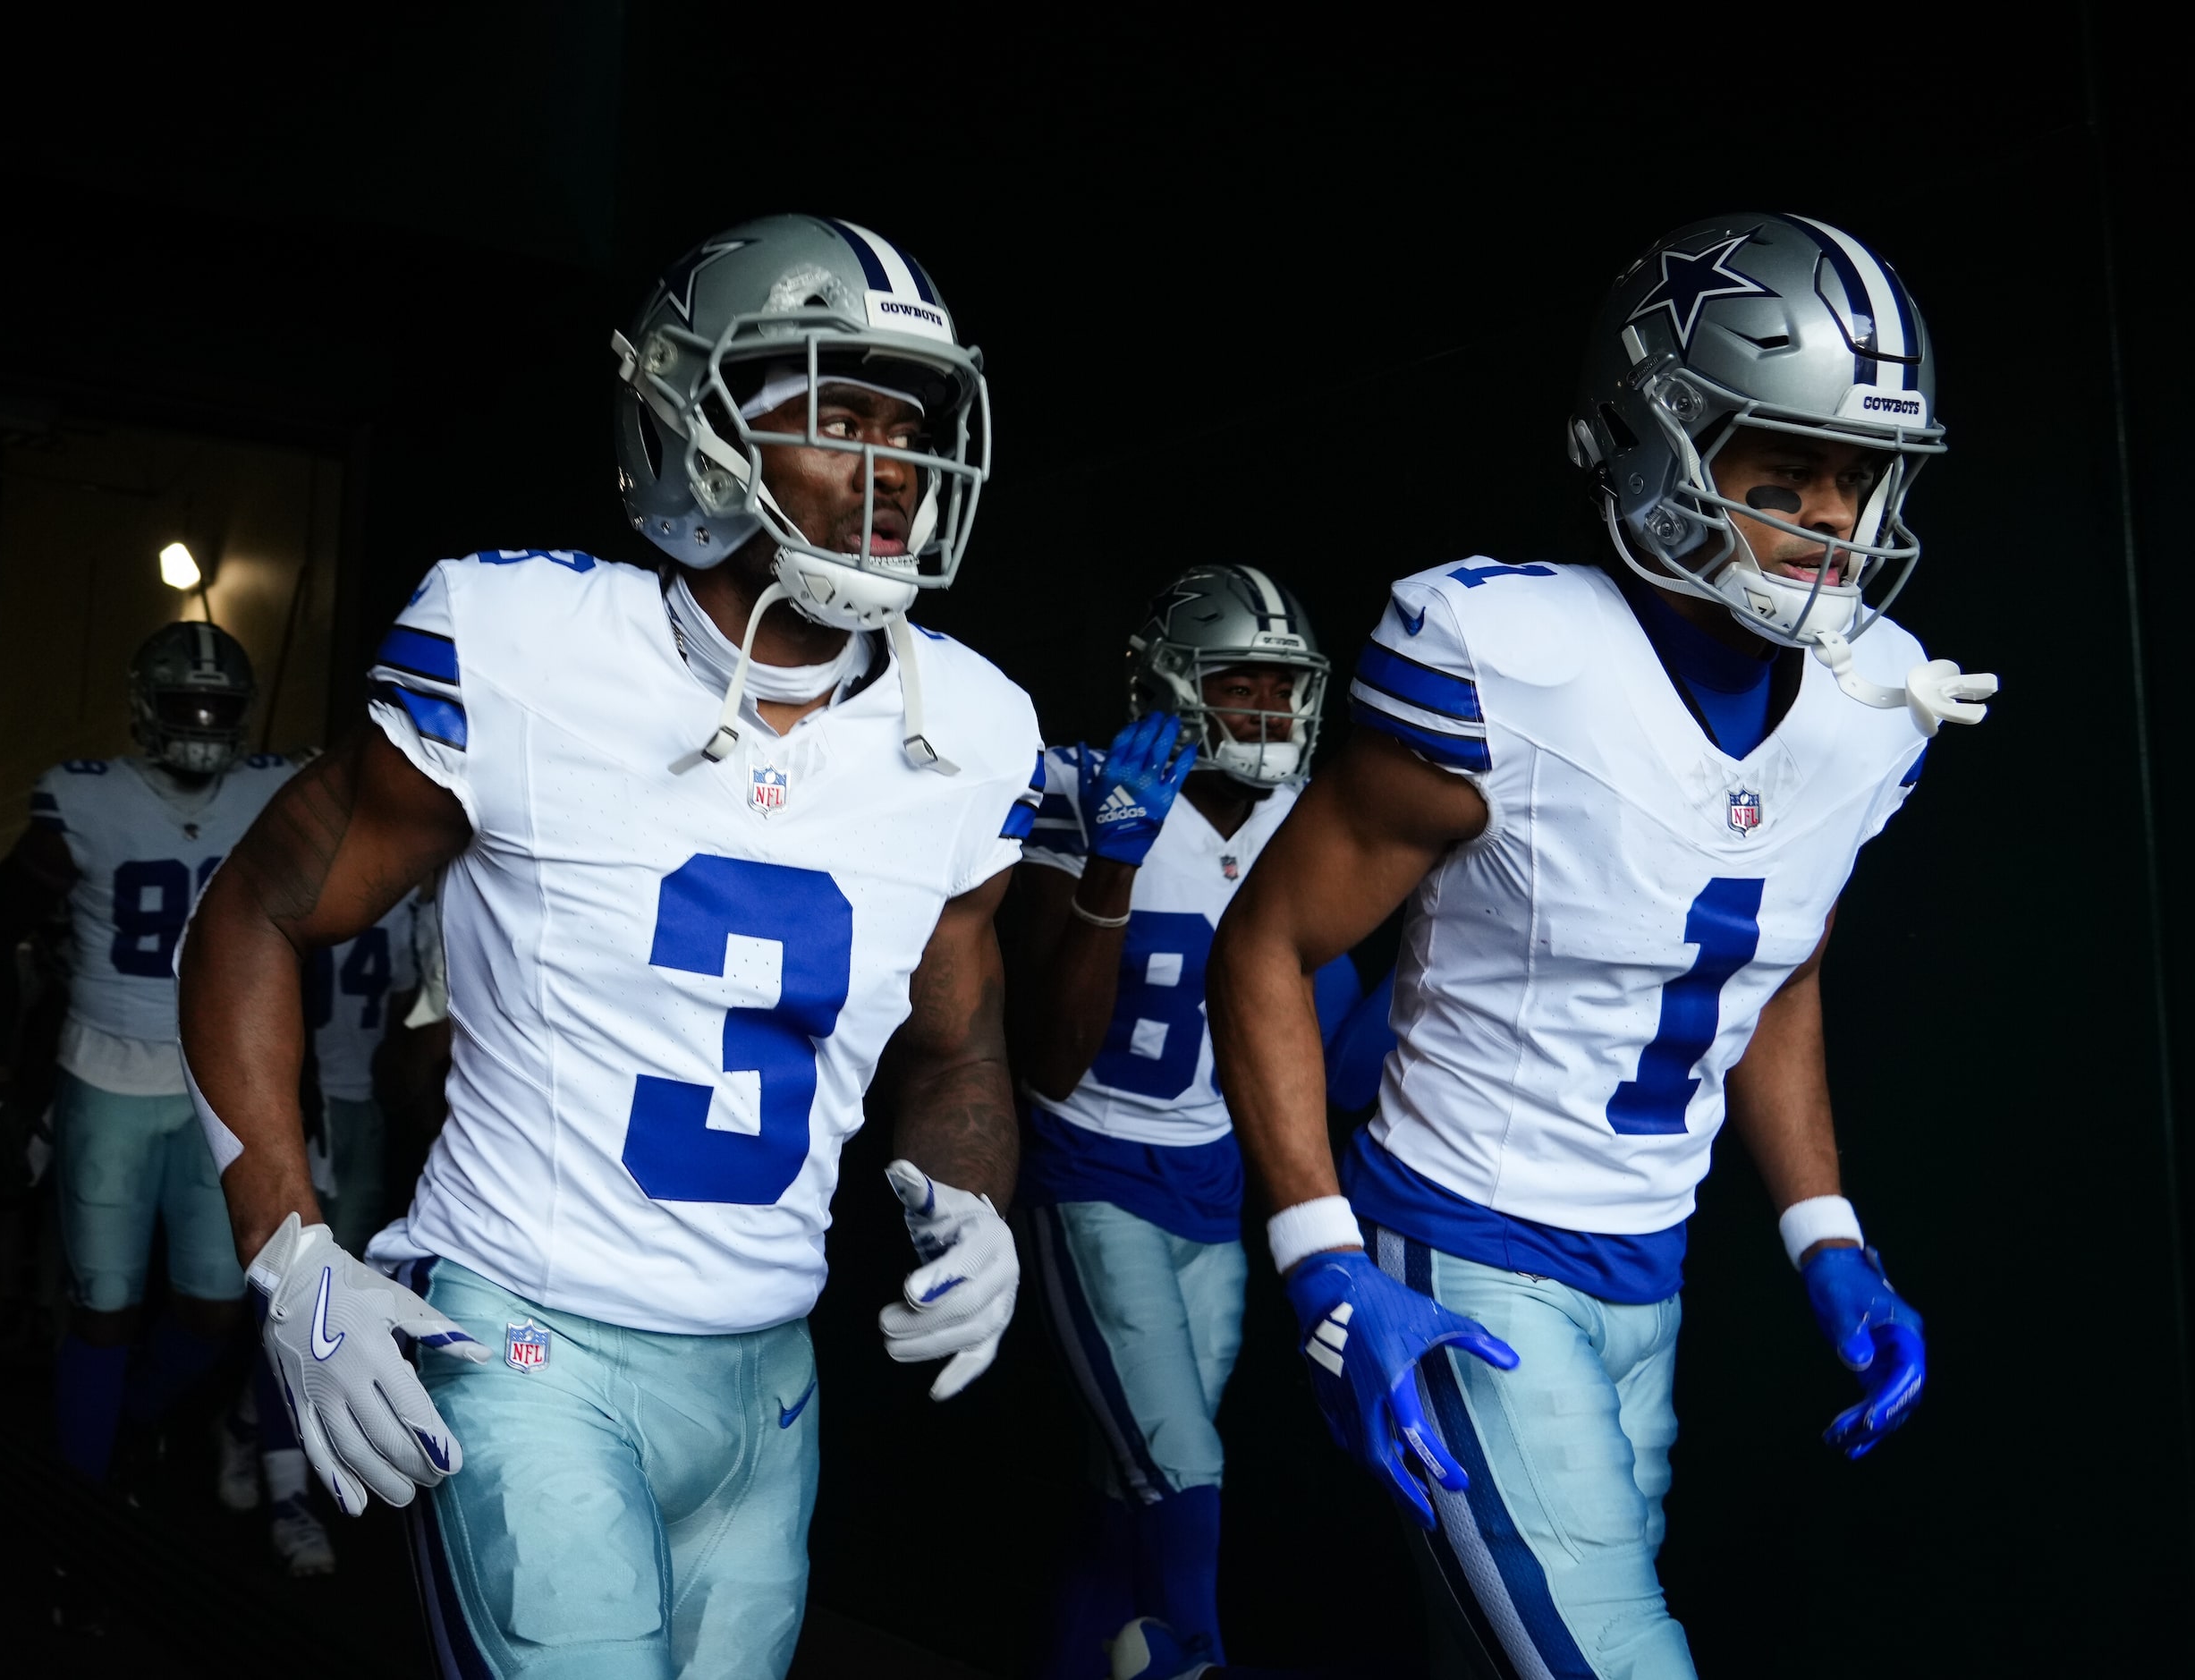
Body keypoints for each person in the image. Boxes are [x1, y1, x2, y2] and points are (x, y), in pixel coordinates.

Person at [179, 214, 1041, 1679]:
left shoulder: (972, 729)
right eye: (837, 413)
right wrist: (290, 1251)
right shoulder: (522, 644)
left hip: (770, 1381)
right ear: (691, 422)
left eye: (909, 422)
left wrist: (972, 1200)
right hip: (530, 1341)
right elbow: (253, 914)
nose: (892, 468)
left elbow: (958, 1043)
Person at [1205, 214, 1997, 1680]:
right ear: (1654, 446)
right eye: (1784, 473)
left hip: (1651, 1269)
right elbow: (1265, 937)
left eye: (1859, 474)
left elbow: (1777, 965)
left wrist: (1825, 1234)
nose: (1833, 517)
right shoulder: (1512, 659)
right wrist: (1321, 1255)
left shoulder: (1877, 694)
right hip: (1464, 1256)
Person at [1017, 564, 1392, 1673]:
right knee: (1180, 1468)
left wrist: (1436, 933)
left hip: (1211, 1182)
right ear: (1174, 687)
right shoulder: (1087, 789)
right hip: (1092, 1165)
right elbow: (1045, 1057)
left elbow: (1331, 1061)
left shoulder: (1297, 818)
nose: (1272, 715)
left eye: (1286, 689)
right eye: (1244, 686)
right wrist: (1112, 867)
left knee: (1124, 1488)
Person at [0, 623, 295, 1502]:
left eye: (216, 707)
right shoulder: (87, 797)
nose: (200, 721)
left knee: (215, 1309)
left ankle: (128, 1425)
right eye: (184, 703)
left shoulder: (272, 789)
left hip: (218, 1086)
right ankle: (84, 1496)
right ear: (146, 708)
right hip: (104, 1077)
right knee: (102, 1310)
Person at [215, 882, 422, 1575]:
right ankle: (289, 1497)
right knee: (298, 1305)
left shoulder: (415, 899)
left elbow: (404, 1020)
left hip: (362, 1110)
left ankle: (248, 1424)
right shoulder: (305, 876)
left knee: (337, 1308)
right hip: (292, 1108)